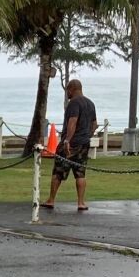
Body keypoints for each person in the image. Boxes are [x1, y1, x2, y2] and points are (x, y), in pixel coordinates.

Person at [43, 78, 96, 211]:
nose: (67, 93)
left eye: (67, 90)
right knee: (80, 173)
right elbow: (95, 124)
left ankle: (51, 199)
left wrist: (67, 140)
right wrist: (87, 136)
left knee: (58, 172)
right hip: (84, 144)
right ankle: (81, 202)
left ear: (72, 89)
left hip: (70, 144)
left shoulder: (73, 103)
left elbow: (72, 121)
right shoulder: (90, 103)